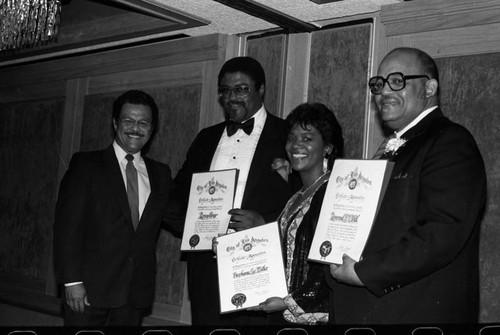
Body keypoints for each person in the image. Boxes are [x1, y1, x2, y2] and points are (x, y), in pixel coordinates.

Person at [328, 47, 486, 324]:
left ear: (429, 88)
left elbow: (442, 233)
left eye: (397, 81)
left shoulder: (449, 141)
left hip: (411, 315)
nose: (384, 91)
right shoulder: (393, 148)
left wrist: (365, 272)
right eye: (378, 84)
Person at [163, 56, 295, 326]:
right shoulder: (206, 138)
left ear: (261, 89)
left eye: (241, 89)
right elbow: (174, 199)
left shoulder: (288, 135)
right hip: (206, 272)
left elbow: (307, 204)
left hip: (259, 266)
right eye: (224, 90)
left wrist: (264, 225)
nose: (231, 97)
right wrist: (196, 233)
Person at [54, 90, 172, 326]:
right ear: (115, 122)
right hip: (88, 292)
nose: (135, 128)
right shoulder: (86, 165)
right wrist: (71, 281)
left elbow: (177, 216)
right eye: (128, 120)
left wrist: (215, 228)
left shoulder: (161, 173)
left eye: (143, 123)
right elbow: (67, 226)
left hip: (134, 294)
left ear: (152, 128)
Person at [248, 102, 344, 325]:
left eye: (307, 138)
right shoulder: (296, 196)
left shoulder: (334, 194)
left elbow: (327, 269)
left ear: (328, 147)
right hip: (282, 313)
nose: (296, 145)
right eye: (291, 138)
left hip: (311, 318)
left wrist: (287, 302)